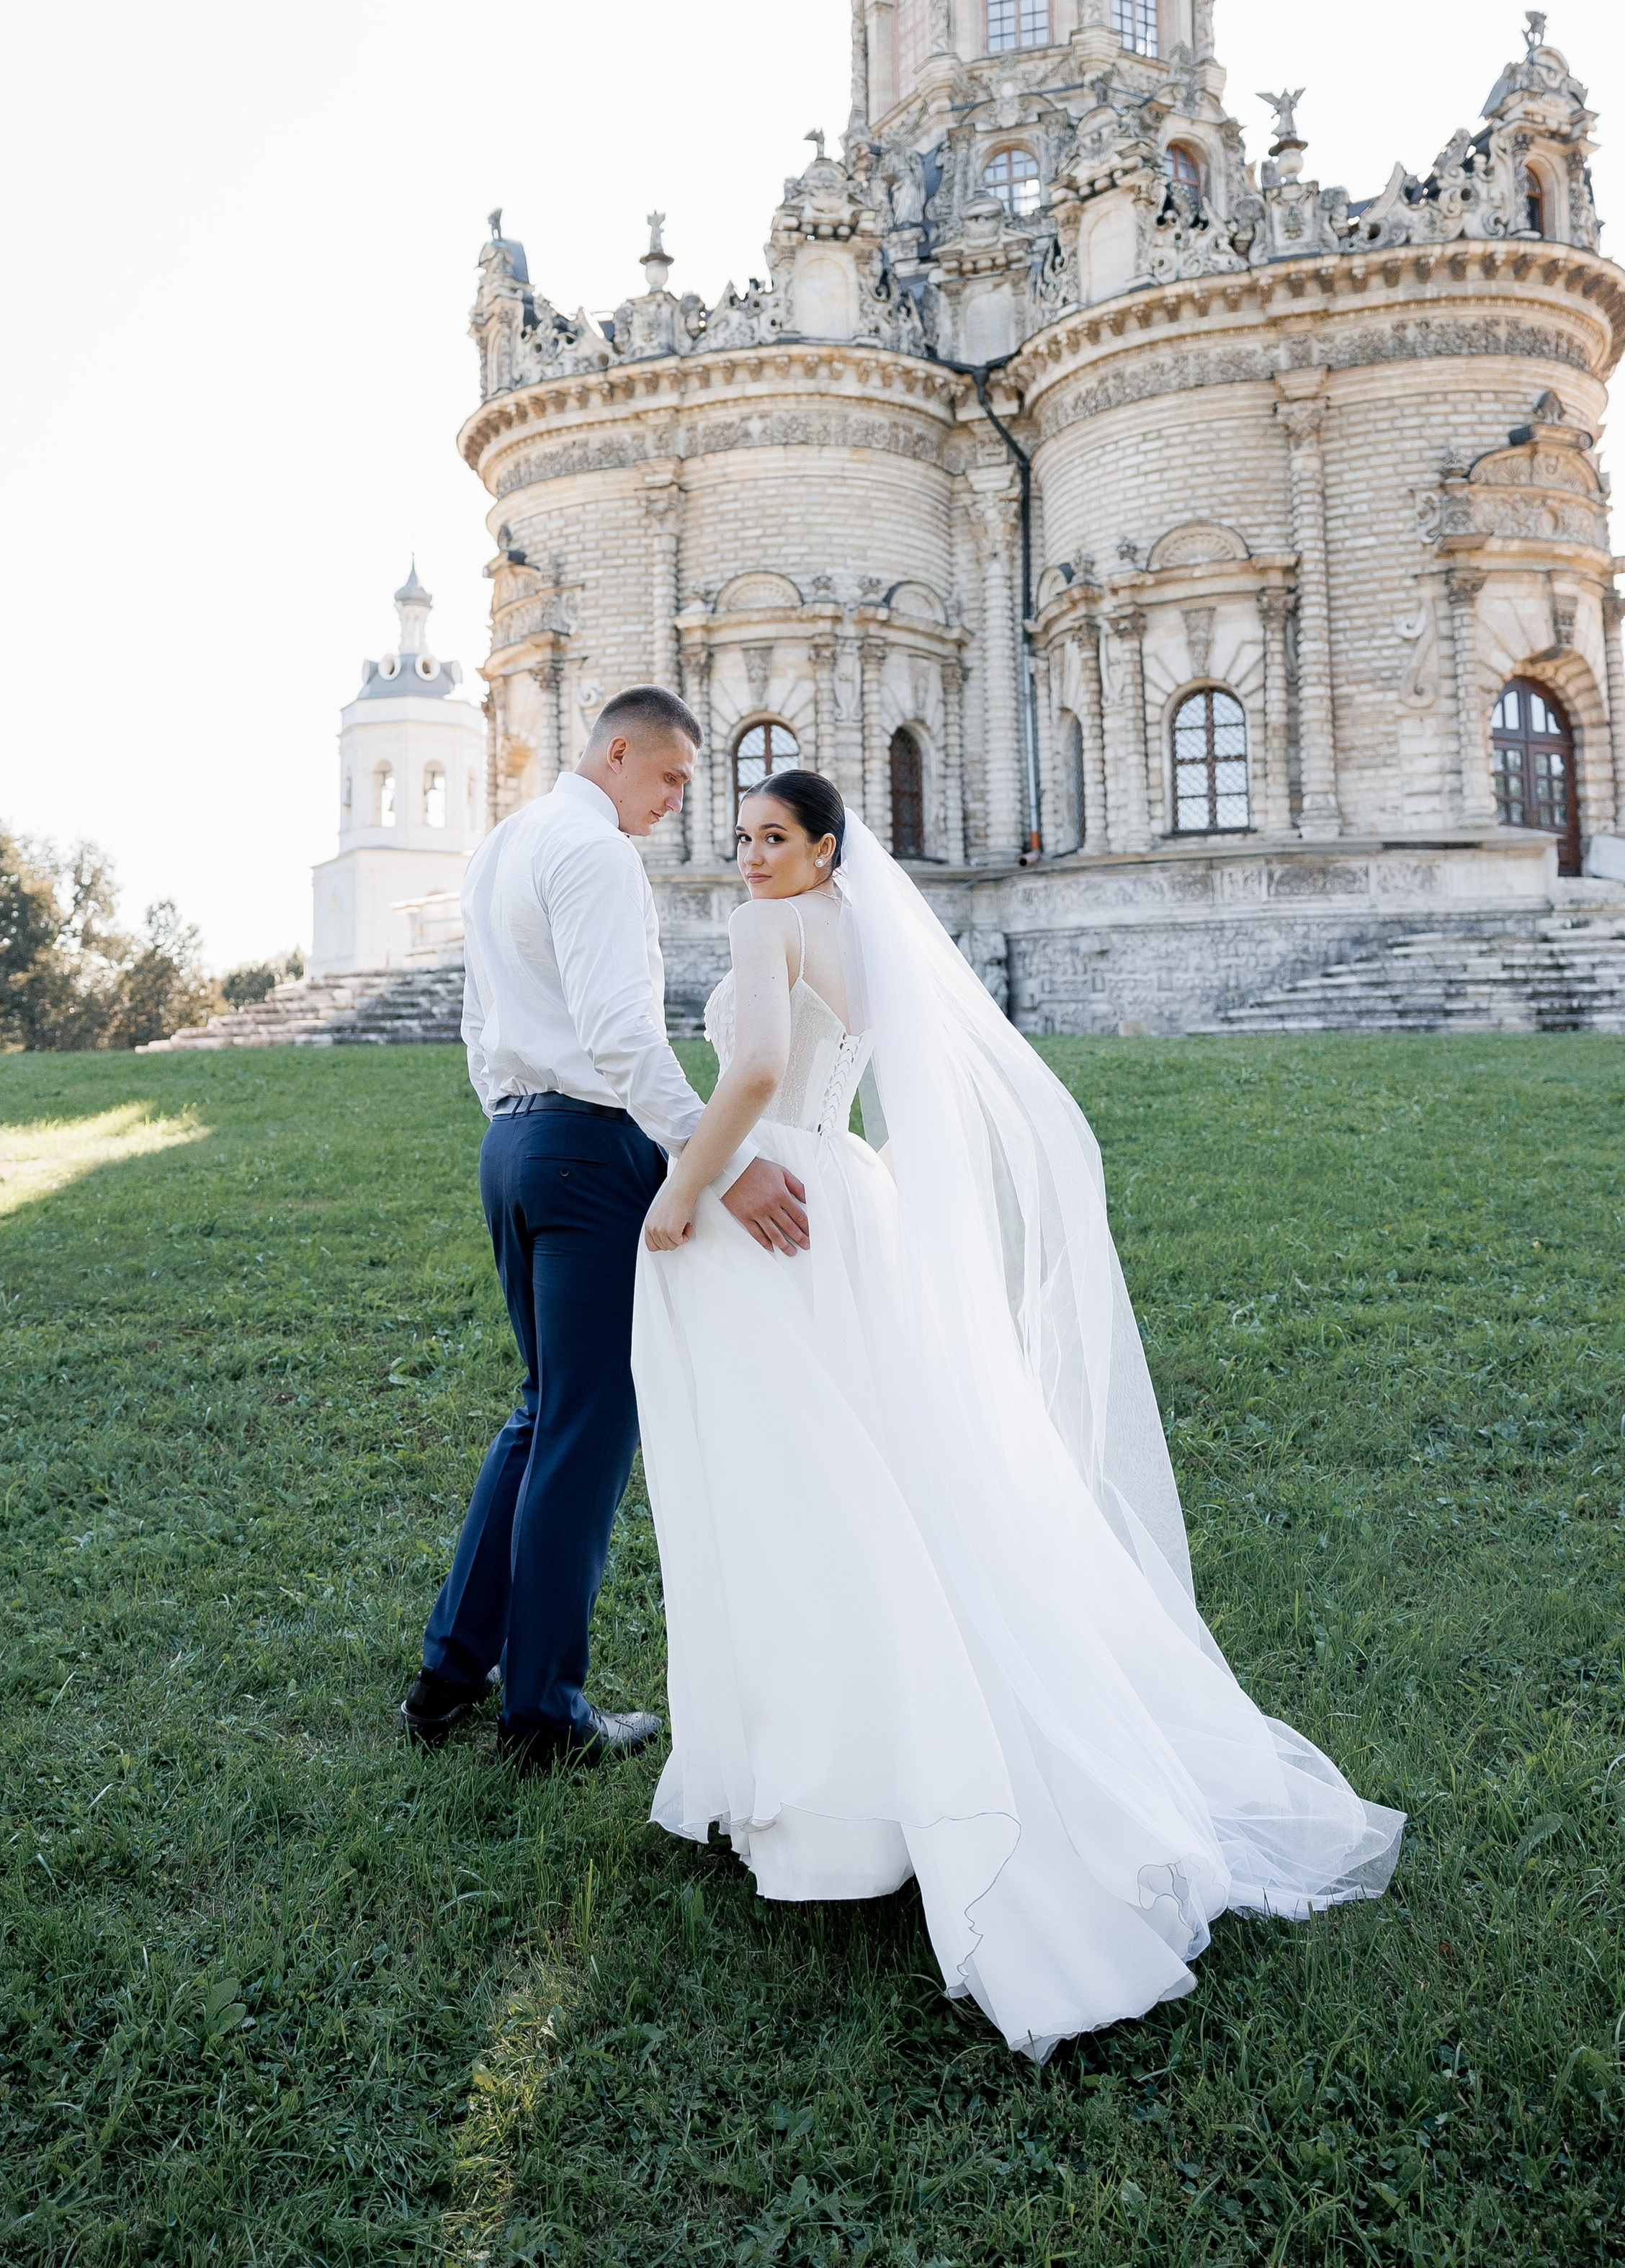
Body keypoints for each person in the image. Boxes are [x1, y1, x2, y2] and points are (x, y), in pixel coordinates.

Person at [631, 770, 1403, 2061]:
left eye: (778, 839)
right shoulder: (868, 931)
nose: (752, 857)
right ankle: (874, 1777)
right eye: (745, 837)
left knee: (790, 1494)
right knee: (881, 1487)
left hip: (776, 1217)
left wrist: (680, 1194)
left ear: (827, 850)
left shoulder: (772, 929)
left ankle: (840, 1798)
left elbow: (759, 1065)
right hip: (854, 1204)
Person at [401, 687, 812, 1771]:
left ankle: (453, 1673)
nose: (678, 802)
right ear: (619, 752)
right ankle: (541, 1714)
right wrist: (710, 1158)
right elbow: (623, 1036)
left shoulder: (504, 844)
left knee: (545, 1413)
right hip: (584, 1149)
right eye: (672, 778)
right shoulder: (594, 855)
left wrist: (512, 1127)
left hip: (515, 1146)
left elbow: (482, 1020)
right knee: (587, 1426)